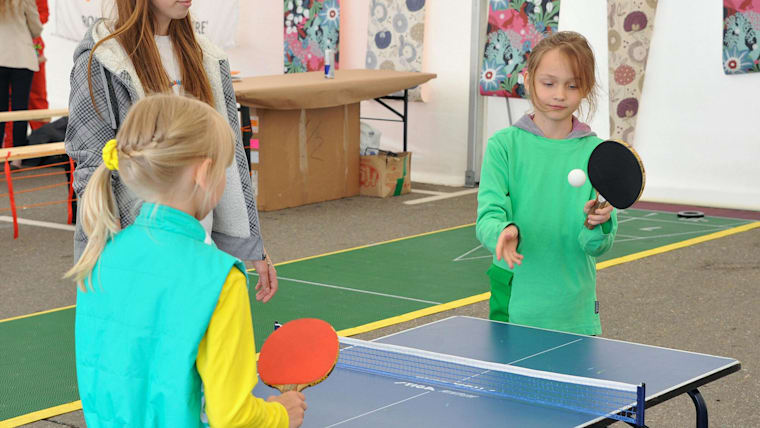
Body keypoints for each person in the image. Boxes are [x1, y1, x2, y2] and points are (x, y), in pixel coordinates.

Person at [66, 95, 307, 428]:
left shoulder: (100, 256)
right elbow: (233, 419)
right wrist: (281, 413)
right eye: (224, 169)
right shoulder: (220, 278)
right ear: (204, 173)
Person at [65, 0, 278, 301]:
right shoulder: (102, 60)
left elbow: (229, 158)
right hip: (135, 252)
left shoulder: (208, 58)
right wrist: (114, 248)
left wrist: (251, 243)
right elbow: (91, 164)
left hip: (198, 246)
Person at [476, 31, 617, 336]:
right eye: (548, 83)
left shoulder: (596, 154)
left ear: (586, 88)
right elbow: (488, 215)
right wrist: (503, 231)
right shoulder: (504, 146)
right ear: (528, 80)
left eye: (572, 85)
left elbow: (597, 246)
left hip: (574, 310)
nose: (559, 95)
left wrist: (597, 224)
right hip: (515, 305)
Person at [0, 0, 43, 168]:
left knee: (0, 109)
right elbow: (36, 28)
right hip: (21, 58)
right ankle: (17, 157)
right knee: (20, 108)